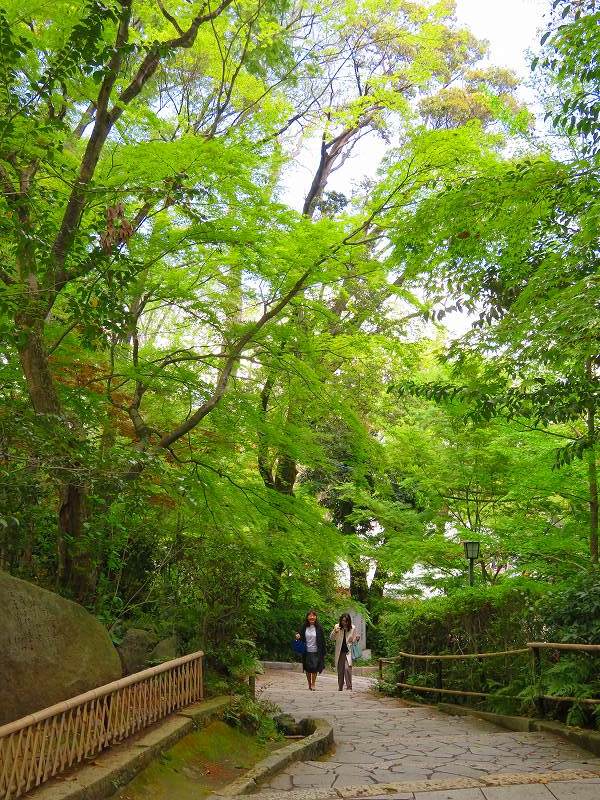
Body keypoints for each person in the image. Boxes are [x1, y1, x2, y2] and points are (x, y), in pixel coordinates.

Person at [295, 610, 325, 691]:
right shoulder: (304, 627)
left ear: (316, 617)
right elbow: (299, 636)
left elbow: (322, 640)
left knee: (315, 667)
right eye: (310, 615)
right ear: (307, 617)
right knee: (307, 668)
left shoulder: (319, 628)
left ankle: (313, 684)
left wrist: (323, 652)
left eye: (313, 615)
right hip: (306, 650)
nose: (312, 617)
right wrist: (297, 637)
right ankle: (309, 684)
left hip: (316, 651)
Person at [330, 613, 358, 691]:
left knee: (347, 668)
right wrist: (334, 632)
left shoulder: (353, 628)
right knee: (340, 670)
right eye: (343, 621)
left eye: (346, 621)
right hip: (340, 652)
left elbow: (354, 641)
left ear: (349, 621)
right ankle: (340, 687)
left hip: (348, 652)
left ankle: (349, 687)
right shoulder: (337, 627)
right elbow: (331, 638)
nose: (344, 623)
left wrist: (355, 639)